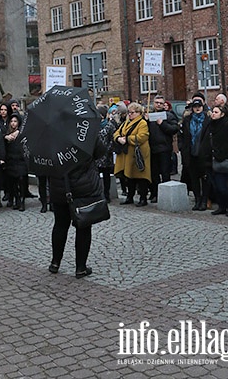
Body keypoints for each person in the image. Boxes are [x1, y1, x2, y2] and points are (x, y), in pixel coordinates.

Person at [48, 138, 105, 278]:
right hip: (82, 186)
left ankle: (55, 263)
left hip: (59, 186)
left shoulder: (52, 135)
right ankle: (80, 267)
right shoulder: (85, 131)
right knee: (83, 227)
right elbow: (100, 151)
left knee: (60, 225)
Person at [201, 104, 228, 217]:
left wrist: (220, 154)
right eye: (213, 111)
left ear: (222, 114)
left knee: (222, 186)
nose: (213, 114)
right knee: (216, 186)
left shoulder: (227, 126)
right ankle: (222, 207)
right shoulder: (211, 125)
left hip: (223, 160)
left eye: (216, 112)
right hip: (211, 160)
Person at [113, 102, 151, 207]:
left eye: (132, 112)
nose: (130, 114)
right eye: (129, 112)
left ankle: (143, 198)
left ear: (139, 113)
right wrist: (118, 138)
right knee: (129, 176)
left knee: (140, 176)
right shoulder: (126, 122)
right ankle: (130, 196)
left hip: (139, 154)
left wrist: (127, 139)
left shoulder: (142, 123)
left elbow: (143, 136)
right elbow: (117, 132)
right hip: (127, 154)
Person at [179, 98, 211, 210]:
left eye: (199, 106)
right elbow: (182, 136)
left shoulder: (208, 120)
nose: (197, 108)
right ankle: (197, 200)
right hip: (190, 153)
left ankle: (204, 200)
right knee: (194, 178)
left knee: (205, 179)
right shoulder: (187, 120)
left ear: (203, 107)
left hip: (204, 154)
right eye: (195, 106)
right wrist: (182, 148)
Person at [147, 95, 179, 202]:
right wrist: (146, 120)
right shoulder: (150, 115)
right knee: (154, 173)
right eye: (156, 102)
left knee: (165, 173)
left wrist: (162, 124)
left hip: (164, 148)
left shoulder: (169, 116)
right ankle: (155, 193)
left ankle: (166, 195)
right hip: (152, 148)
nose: (158, 104)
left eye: (160, 103)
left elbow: (174, 129)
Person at [3, 111, 29, 211]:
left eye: (15, 121)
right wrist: (6, 137)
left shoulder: (22, 133)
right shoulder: (6, 134)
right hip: (11, 161)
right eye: (12, 121)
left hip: (20, 160)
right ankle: (16, 200)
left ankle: (22, 201)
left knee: (21, 182)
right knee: (13, 183)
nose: (13, 123)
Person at [95, 105, 114, 203]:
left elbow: (112, 139)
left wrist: (107, 150)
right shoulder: (94, 126)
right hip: (97, 156)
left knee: (106, 177)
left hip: (107, 155)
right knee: (96, 176)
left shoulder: (109, 125)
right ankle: (98, 194)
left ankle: (107, 195)